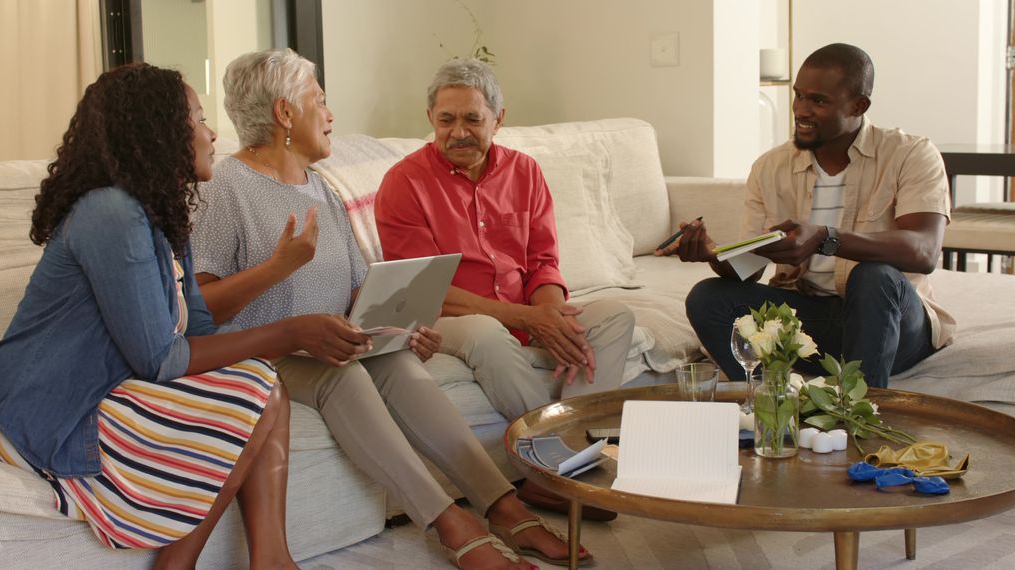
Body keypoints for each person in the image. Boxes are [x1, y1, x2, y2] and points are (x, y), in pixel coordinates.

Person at [190, 48, 586, 569]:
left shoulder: (320, 187)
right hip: (267, 353)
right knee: (343, 376)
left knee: (396, 361)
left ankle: (504, 505)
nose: (331, 116)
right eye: (321, 101)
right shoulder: (227, 187)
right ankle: (452, 524)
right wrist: (279, 268)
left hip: (335, 339)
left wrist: (401, 327)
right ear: (286, 113)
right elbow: (200, 309)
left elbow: (359, 288)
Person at [0, 64, 309, 568]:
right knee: (258, 382)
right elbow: (159, 359)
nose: (212, 134)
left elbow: (197, 333)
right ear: (158, 131)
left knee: (260, 381)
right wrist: (288, 332)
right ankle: (186, 564)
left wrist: (284, 335)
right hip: (37, 415)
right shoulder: (109, 212)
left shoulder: (162, 218)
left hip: (97, 391)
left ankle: (270, 559)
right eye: (199, 119)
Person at [374, 58, 635, 520]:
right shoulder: (404, 183)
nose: (458, 131)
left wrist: (551, 315)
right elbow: (426, 290)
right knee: (485, 333)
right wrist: (525, 318)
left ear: (498, 118)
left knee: (615, 317)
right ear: (430, 120)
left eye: (473, 119)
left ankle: (559, 466)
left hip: (524, 310)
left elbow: (543, 263)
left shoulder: (526, 172)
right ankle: (558, 468)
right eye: (446, 119)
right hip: (450, 317)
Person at [658, 43, 954, 388]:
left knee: (874, 277)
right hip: (808, 316)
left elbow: (924, 251)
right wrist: (713, 253)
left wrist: (825, 239)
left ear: (859, 106)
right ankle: (770, 402)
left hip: (891, 321)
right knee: (708, 297)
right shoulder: (770, 167)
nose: (801, 110)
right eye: (798, 96)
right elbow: (748, 270)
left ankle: (856, 410)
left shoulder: (910, 154)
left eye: (819, 101)